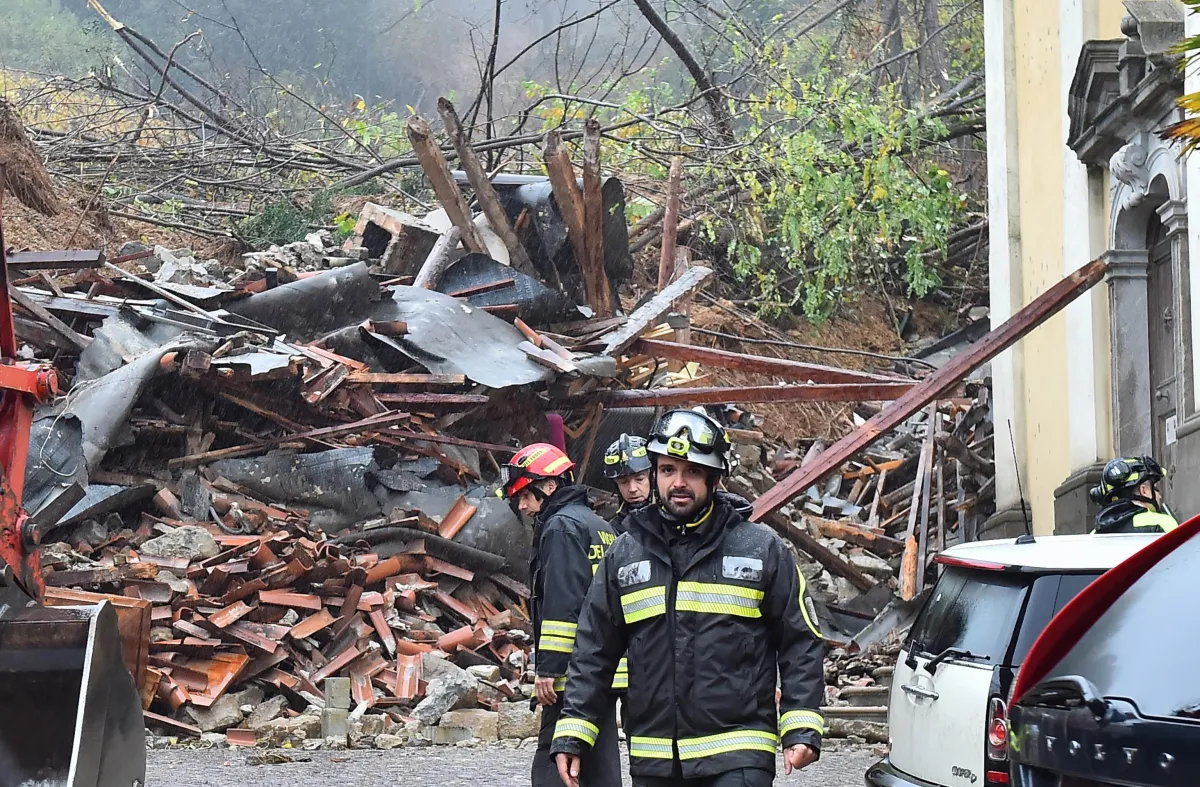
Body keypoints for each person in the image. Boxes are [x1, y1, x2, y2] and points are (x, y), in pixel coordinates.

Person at [549, 409, 826, 787]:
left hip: (738, 756)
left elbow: (799, 639)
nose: (678, 482)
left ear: (715, 478)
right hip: (655, 760)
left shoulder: (761, 550)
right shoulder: (625, 554)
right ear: (655, 473)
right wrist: (574, 732)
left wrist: (801, 724)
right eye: (668, 470)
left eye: (692, 471)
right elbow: (594, 649)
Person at [498, 443, 622, 787]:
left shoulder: (560, 527)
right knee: (599, 763)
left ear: (550, 485)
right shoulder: (600, 525)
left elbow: (562, 601)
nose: (522, 505)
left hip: (573, 672)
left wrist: (550, 669)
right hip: (605, 668)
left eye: (525, 495)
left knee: (552, 766)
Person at [1089, 456, 1178, 534]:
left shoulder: (1094, 534)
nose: (1160, 496)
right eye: (1155, 488)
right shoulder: (1162, 523)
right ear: (1144, 490)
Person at [603, 433, 653, 533]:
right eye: (623, 482)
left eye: (639, 479)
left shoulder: (674, 520)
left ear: (653, 478)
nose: (632, 489)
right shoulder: (612, 529)